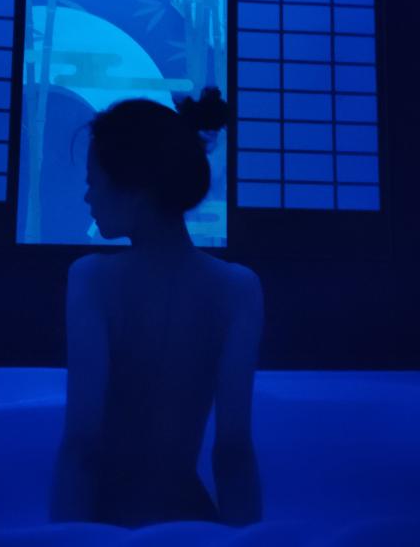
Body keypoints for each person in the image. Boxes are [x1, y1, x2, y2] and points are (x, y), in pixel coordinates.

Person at [49, 87, 264, 527]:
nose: (88, 197)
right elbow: (234, 454)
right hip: (192, 526)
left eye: (93, 181)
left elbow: (82, 446)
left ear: (132, 187)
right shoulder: (238, 288)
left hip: (109, 527)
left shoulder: (92, 279)